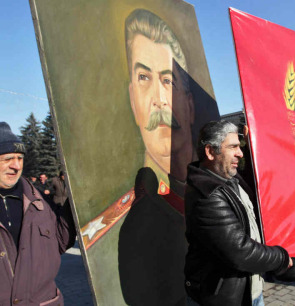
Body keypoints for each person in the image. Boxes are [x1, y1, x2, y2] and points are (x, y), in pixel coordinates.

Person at [79, 9, 199, 305]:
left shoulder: (211, 192)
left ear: (190, 104)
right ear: (133, 100)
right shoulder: (108, 232)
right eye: (144, 77)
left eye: (169, 81)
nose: (158, 98)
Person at [184, 120, 295, 305]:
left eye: (240, 146)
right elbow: (240, 252)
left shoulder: (228, 176)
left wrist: (255, 145)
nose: (240, 152)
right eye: (233, 147)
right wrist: (282, 259)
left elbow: (260, 181)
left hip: (250, 293)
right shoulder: (206, 195)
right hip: (224, 300)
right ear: (210, 151)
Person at [0, 122, 76, 305]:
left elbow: (60, 241)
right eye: (7, 159)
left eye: (20, 158)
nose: (16, 166)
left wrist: (76, 200)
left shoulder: (36, 199)